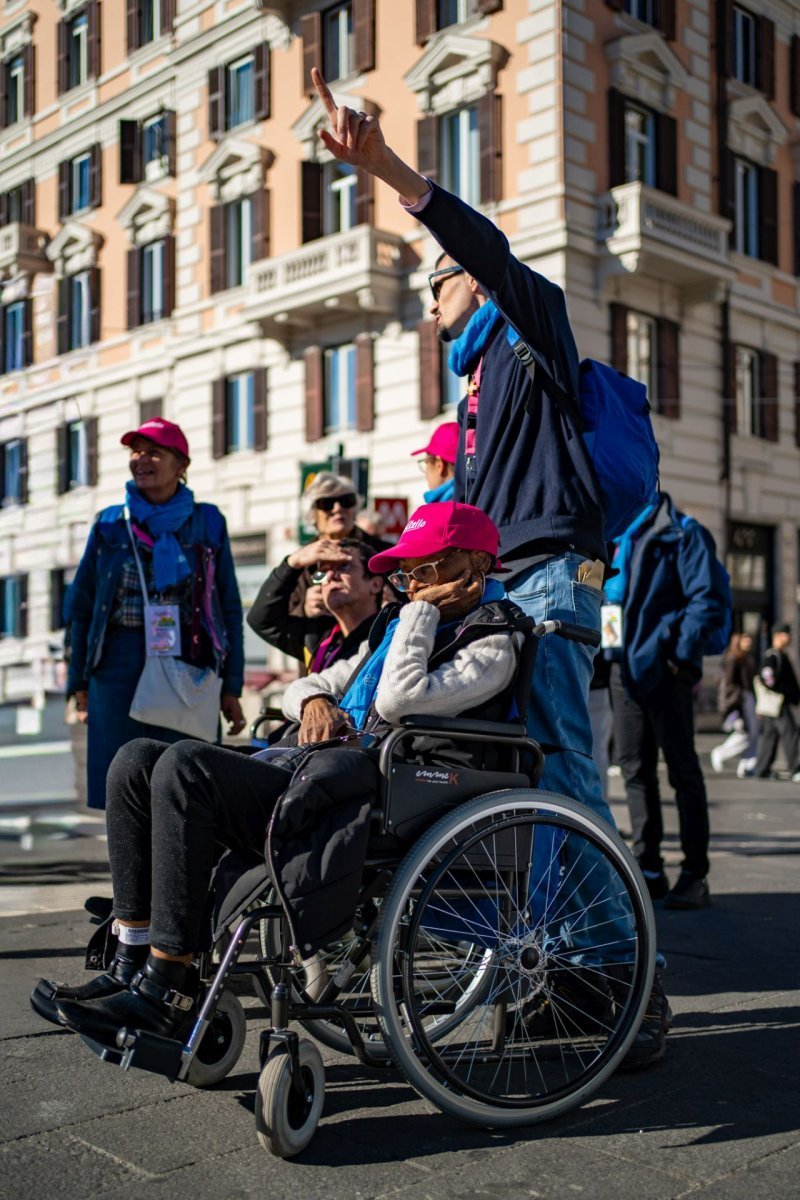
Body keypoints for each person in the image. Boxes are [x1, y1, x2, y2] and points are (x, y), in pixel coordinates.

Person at [308, 69, 670, 1067]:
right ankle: (562, 975)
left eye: (437, 284)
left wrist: (386, 168)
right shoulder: (470, 388)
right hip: (496, 589)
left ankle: (630, 991)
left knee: (562, 782)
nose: (430, 303)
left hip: (550, 579)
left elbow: (490, 252)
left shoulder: (528, 336)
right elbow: (446, 526)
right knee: (506, 792)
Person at [31, 502, 522, 1044]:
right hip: (323, 773)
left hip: (373, 793)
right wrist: (314, 699)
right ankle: (132, 960)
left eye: (423, 569)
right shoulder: (392, 633)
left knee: (186, 766)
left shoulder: (492, 640)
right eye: (406, 573)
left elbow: (402, 698)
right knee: (136, 759)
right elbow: (310, 683)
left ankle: (168, 985)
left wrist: (418, 615)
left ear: (475, 565)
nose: (409, 586)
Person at [66, 418, 245, 810]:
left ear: (181, 465)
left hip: (189, 662)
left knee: (186, 784)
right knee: (123, 787)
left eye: (153, 452)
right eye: (135, 451)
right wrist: (77, 680)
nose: (141, 460)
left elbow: (228, 603)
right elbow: (82, 605)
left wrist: (231, 685)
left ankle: (179, 870)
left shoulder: (208, 520)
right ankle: (131, 870)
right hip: (116, 667)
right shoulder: (111, 523)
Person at [606, 494, 730, 911]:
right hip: (624, 668)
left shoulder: (684, 533)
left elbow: (706, 599)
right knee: (635, 770)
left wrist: (678, 656)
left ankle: (696, 874)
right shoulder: (620, 531)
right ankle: (649, 868)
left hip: (666, 671)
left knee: (682, 771)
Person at [248, 471, 389, 665]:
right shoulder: (302, 563)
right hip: (322, 658)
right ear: (312, 515)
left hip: (376, 653)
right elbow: (266, 618)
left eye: (346, 500)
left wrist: (389, 602)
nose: (338, 509)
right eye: (326, 503)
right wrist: (304, 609)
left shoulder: (383, 553)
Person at [752, 623, 800, 781]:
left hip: (774, 704)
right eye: (788, 634)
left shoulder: (779, 655)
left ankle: (762, 768)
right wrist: (782, 691)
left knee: (770, 736)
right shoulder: (772, 656)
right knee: (790, 733)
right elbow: (766, 676)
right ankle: (795, 769)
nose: (790, 637)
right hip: (778, 703)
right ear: (779, 635)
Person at [711, 633, 758, 775]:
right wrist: (735, 703)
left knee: (753, 734)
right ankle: (721, 753)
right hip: (739, 700)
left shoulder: (747, 659)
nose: (748, 641)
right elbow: (729, 684)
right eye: (745, 639)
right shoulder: (732, 658)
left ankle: (748, 764)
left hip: (747, 698)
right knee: (743, 732)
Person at [411, 421, 460, 502]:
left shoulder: (438, 512)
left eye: (426, 462)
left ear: (439, 465)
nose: (426, 473)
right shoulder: (479, 502)